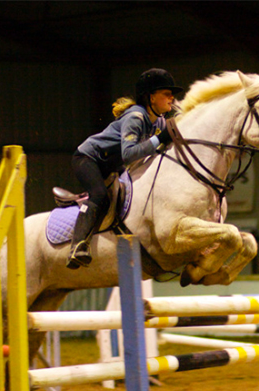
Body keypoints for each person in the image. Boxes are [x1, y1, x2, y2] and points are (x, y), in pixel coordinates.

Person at [66, 68, 183, 269]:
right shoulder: (136, 117)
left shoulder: (160, 120)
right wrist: (159, 139)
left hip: (112, 164)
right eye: (166, 93)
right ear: (151, 97)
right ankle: (77, 245)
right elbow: (129, 154)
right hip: (89, 158)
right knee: (99, 194)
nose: (172, 97)